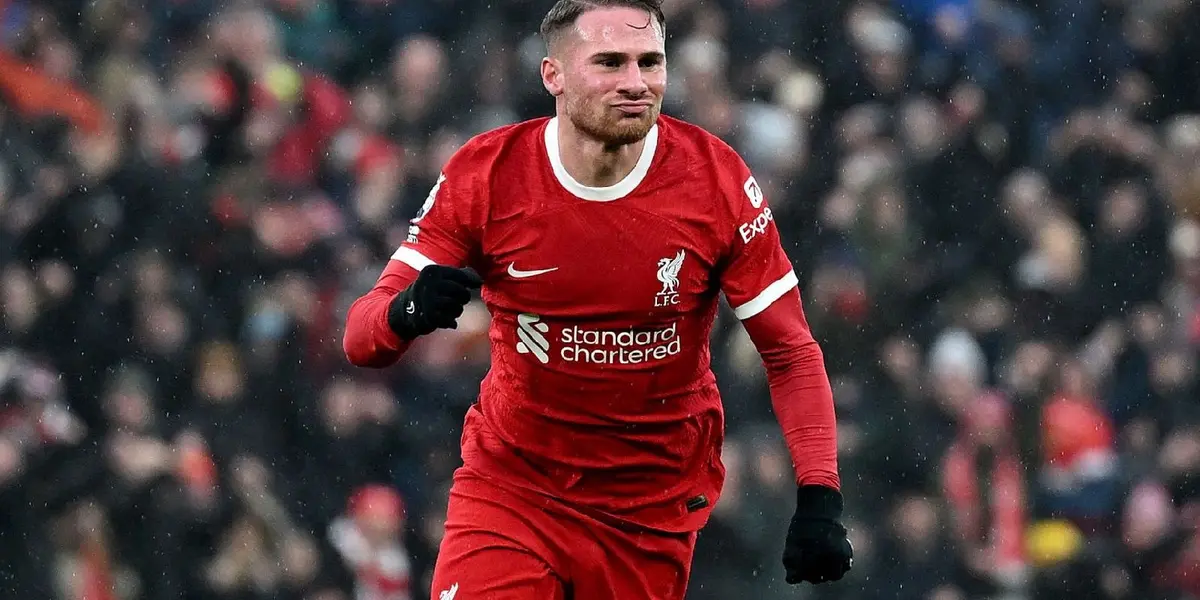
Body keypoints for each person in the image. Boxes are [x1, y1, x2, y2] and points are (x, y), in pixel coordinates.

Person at [343, 0, 852, 597]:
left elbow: (790, 351)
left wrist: (819, 495)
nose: (636, 83)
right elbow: (360, 337)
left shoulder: (715, 181)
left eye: (650, 62)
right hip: (514, 489)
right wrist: (407, 311)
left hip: (647, 510)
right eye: (610, 63)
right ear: (552, 74)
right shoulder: (487, 175)